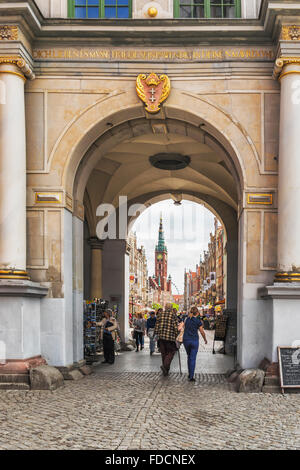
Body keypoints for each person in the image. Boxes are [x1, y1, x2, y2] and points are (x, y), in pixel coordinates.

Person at [183, 306, 207, 382]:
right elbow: (202, 332)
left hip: (186, 340)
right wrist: (205, 339)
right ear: (197, 313)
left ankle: (189, 373)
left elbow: (183, 327)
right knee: (192, 358)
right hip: (194, 341)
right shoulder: (198, 321)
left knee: (189, 356)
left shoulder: (186, 319)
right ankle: (191, 376)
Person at [154, 303, 179, 376]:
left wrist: (156, 334)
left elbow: (156, 325)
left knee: (163, 353)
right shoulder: (173, 315)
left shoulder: (160, 314)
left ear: (165, 307)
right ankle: (165, 366)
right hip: (170, 337)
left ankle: (166, 370)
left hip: (161, 337)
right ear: (171, 308)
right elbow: (175, 327)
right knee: (171, 352)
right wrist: (177, 334)